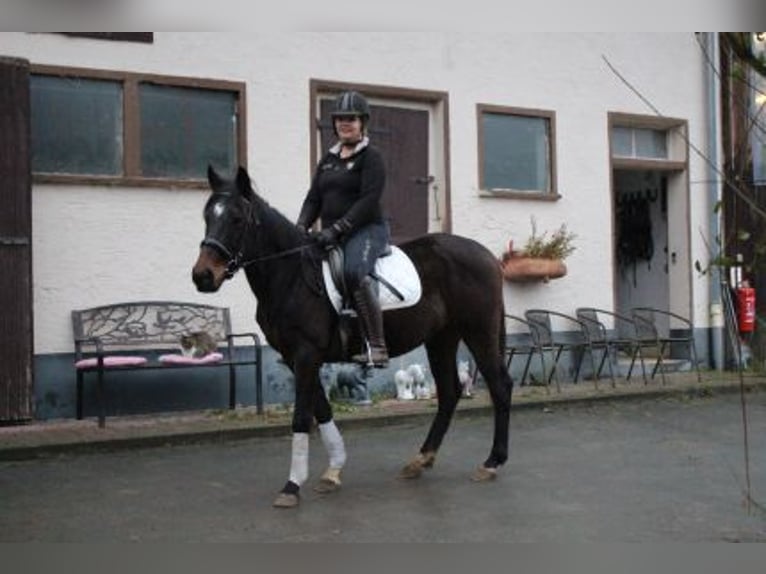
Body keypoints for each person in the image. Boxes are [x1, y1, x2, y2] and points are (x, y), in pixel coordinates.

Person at [296, 90, 390, 367]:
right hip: (332, 233)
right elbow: (314, 198)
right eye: (339, 119)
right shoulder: (328, 160)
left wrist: (337, 229)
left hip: (367, 230)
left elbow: (368, 200)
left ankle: (377, 347)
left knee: (353, 272)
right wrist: (301, 226)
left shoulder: (372, 157)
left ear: (363, 123)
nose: (344, 123)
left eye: (351, 119)